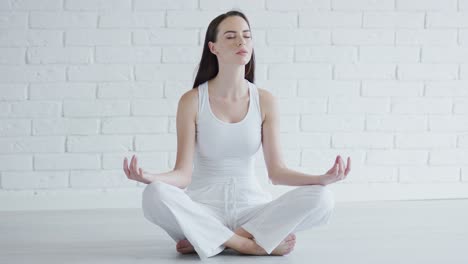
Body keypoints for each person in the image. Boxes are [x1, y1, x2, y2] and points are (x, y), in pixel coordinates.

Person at [123, 9, 351, 260]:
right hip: (203, 209)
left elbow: (277, 173)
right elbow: (183, 175)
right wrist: (149, 176)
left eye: (246, 36)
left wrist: (321, 178)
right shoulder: (192, 101)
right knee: (154, 194)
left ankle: (213, 239)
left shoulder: (264, 100)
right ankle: (248, 244)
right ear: (213, 47)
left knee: (322, 197)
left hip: (251, 211)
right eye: (231, 36)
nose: (241, 42)